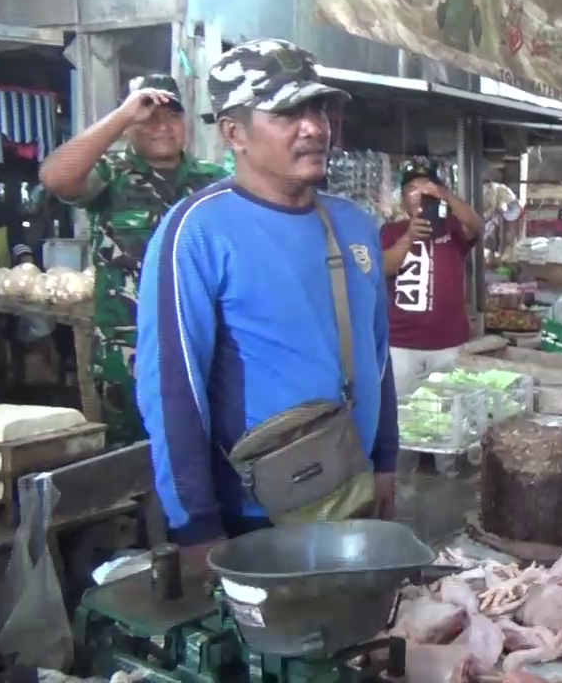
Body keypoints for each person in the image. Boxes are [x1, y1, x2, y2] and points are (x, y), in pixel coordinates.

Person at [133, 39, 398, 558]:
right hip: (256, 516)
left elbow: (378, 355)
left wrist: (387, 458)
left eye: (318, 110)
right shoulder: (197, 231)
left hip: (354, 489)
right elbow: (173, 390)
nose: (315, 127)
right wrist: (196, 525)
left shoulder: (354, 225)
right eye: (287, 113)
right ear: (234, 132)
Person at [39, 74, 228, 446]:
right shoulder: (110, 176)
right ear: (129, 127)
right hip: (128, 353)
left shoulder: (214, 181)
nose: (162, 126)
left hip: (202, 344)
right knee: (133, 462)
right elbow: (55, 178)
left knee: (203, 451)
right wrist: (124, 114)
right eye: (148, 117)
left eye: (172, 115)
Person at [380, 160, 482, 393]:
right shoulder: (391, 232)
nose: (419, 194)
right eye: (412, 189)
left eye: (426, 186)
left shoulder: (453, 228)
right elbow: (384, 268)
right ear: (403, 198)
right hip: (401, 345)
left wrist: (445, 194)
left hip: (450, 343)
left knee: (449, 413)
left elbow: (476, 226)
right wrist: (409, 237)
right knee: (402, 415)